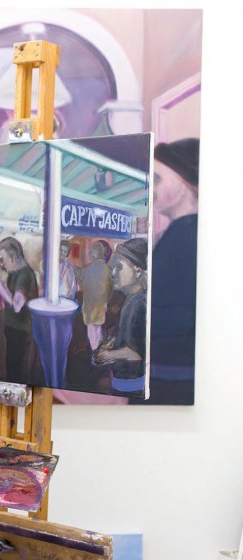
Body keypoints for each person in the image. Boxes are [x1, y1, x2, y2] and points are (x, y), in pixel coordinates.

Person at [143, 138, 199, 405]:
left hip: (171, 380)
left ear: (186, 183)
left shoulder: (185, 236)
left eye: (156, 178)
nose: (150, 188)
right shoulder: (183, 232)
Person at [94, 238, 148, 398]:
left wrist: (105, 356)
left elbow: (135, 353)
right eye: (112, 268)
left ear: (138, 271)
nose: (112, 274)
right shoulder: (132, 299)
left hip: (130, 384)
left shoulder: (137, 303)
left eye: (118, 267)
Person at [0, 236, 38, 380]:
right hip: (14, 329)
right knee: (12, 369)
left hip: (21, 332)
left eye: (3, 259)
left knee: (17, 372)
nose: (2, 264)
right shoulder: (14, 273)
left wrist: (0, 285)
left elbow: (17, 306)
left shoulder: (25, 274)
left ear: (12, 257)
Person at [80, 240, 112, 351]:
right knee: (98, 329)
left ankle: (96, 351)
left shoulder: (88, 269)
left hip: (91, 303)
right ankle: (98, 351)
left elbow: (84, 286)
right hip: (100, 304)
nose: (89, 254)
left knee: (92, 330)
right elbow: (110, 288)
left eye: (91, 251)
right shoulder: (107, 268)